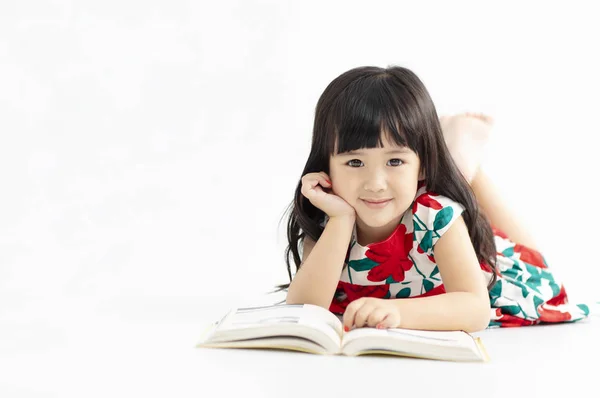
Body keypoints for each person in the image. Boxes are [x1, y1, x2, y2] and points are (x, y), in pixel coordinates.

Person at [277, 65, 591, 333]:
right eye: (355, 163)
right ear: (326, 165)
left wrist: (399, 313)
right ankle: (453, 160)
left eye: (395, 161)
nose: (374, 184)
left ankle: (465, 163)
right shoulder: (329, 215)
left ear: (422, 164)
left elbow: (475, 307)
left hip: (490, 272)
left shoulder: (434, 214)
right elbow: (305, 308)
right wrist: (341, 220)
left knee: (532, 260)